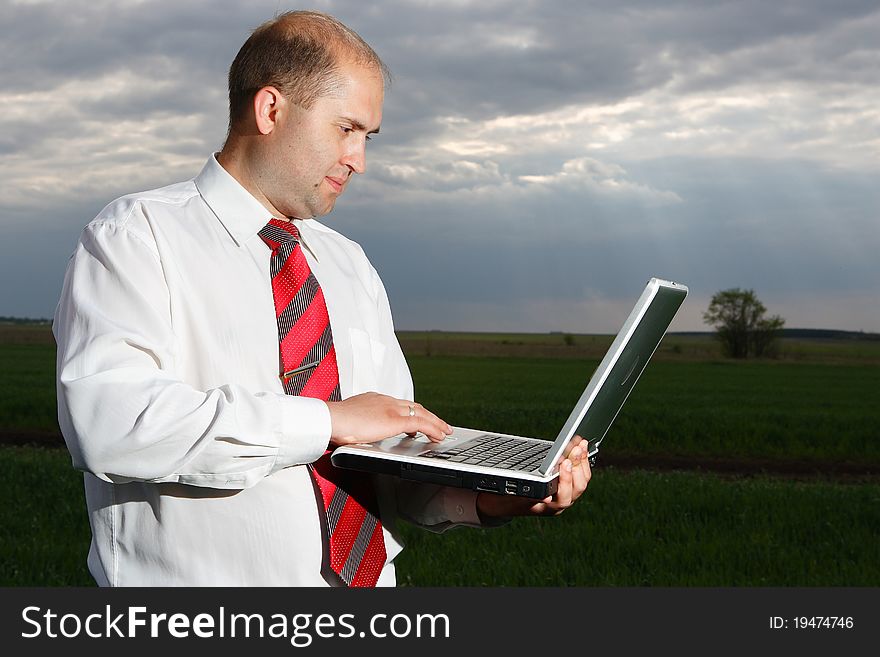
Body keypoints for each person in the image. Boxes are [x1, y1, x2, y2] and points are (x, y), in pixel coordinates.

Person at [53, 10, 591, 587]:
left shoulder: (349, 265)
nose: (359, 159)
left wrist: (490, 500)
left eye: (367, 137)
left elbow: (382, 460)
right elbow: (110, 423)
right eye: (347, 129)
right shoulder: (136, 237)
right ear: (270, 110)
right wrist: (325, 420)